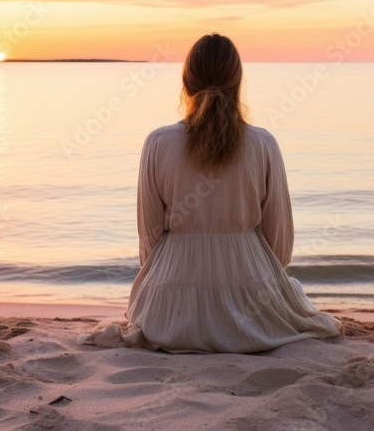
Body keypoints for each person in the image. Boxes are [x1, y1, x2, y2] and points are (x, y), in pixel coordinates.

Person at [78, 33, 342, 353]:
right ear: (238, 82)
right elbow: (280, 243)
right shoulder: (263, 143)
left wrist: (160, 284)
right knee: (295, 297)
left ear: (187, 82)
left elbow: (148, 236)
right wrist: (264, 279)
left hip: (169, 307)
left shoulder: (158, 143)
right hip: (250, 293)